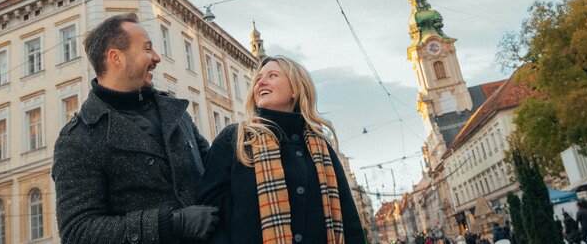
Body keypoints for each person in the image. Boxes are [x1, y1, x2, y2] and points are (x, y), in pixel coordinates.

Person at [52, 13, 219, 242]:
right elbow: (77, 232)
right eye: (147, 49)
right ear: (116, 57)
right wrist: (169, 224)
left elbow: (214, 171)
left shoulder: (173, 109)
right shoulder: (78, 138)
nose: (157, 58)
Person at [197, 55, 366, 243]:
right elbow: (209, 214)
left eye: (272, 75)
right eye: (258, 78)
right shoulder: (235, 138)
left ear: (295, 89)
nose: (261, 82)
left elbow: (349, 221)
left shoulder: (322, 148)